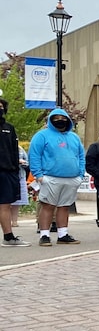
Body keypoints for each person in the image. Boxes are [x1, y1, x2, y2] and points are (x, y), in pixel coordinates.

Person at [29, 109, 84, 246]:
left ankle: (63, 234)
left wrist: (80, 174)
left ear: (68, 120)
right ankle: (44, 235)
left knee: (64, 206)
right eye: (56, 118)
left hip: (72, 178)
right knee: (47, 206)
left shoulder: (74, 137)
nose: (60, 120)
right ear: (51, 119)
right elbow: (34, 155)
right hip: (50, 177)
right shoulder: (42, 136)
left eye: (63, 118)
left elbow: (81, 156)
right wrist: (39, 175)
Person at [0, 99, 29, 246]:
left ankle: (8, 237)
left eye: (1, 107)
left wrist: (14, 170)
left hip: (7, 173)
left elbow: (13, 152)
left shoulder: (9, 128)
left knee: (5, 205)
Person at [11, 144, 29, 228]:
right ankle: (4, 221)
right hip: (8, 176)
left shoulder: (20, 148)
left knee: (17, 202)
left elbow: (27, 161)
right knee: (5, 201)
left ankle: (14, 221)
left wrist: (23, 163)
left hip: (20, 176)